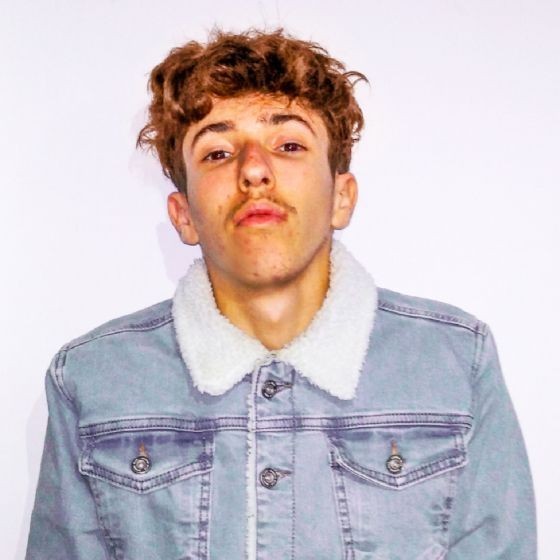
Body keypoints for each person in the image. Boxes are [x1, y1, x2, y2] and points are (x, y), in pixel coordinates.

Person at [26, 28, 536, 559]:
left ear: (341, 198)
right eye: (218, 153)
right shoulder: (92, 379)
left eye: (289, 145)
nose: (253, 170)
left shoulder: (454, 363)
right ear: (183, 215)